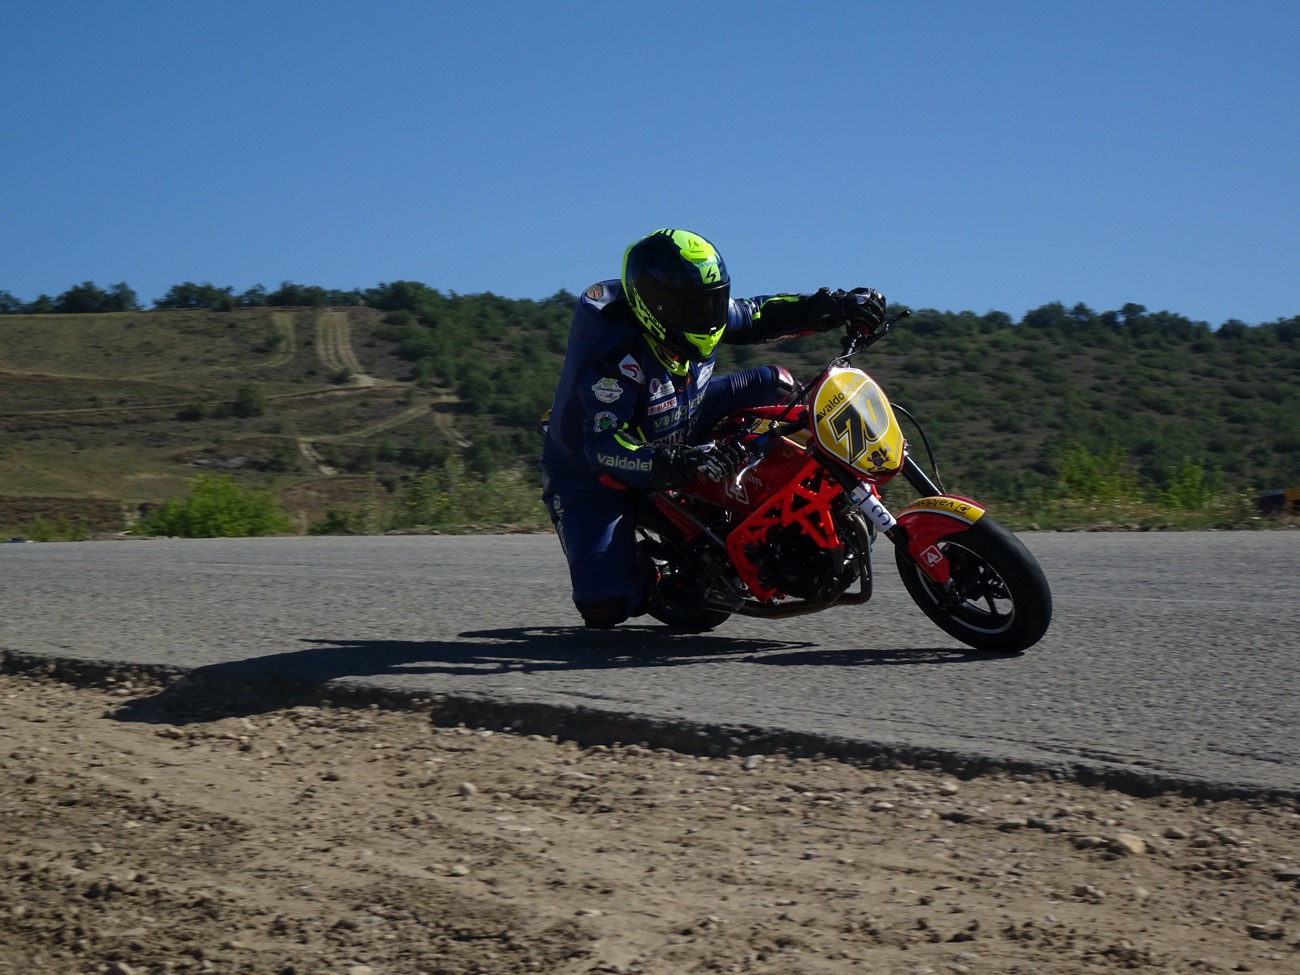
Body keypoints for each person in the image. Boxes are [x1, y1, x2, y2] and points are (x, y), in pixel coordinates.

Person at [541, 228, 886, 628]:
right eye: (692, 305)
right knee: (604, 604)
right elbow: (603, 446)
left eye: (714, 300)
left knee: (778, 384)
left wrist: (836, 306)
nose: (707, 315)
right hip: (593, 472)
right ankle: (654, 574)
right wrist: (676, 462)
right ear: (651, 304)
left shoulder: (702, 316)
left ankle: (814, 489)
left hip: (684, 417)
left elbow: (759, 314)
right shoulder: (613, 356)